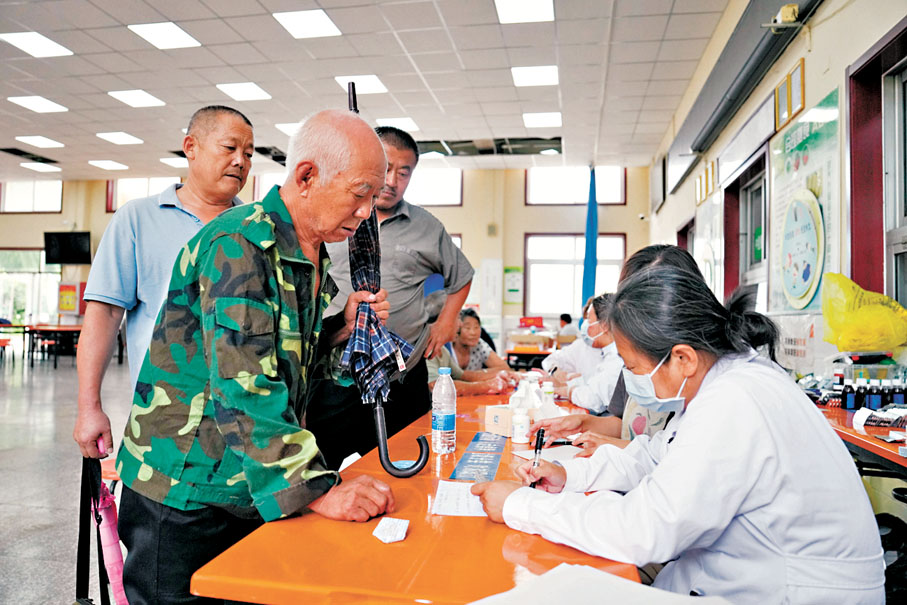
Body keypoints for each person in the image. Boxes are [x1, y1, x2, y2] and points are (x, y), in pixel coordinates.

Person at [115, 110, 397, 604]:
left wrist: (340, 332)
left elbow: (284, 361)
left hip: (243, 481)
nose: (367, 210)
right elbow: (244, 384)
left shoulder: (303, 251)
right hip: (185, 489)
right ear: (307, 177)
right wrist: (317, 490)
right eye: (361, 192)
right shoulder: (240, 244)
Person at [472, 264, 885, 602]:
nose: (633, 380)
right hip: (743, 574)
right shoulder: (726, 378)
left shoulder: (735, 399)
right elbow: (658, 456)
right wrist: (571, 476)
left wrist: (522, 506)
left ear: (682, 358)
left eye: (633, 368)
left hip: (792, 591)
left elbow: (645, 530)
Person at [74, 105, 253, 459]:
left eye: (248, 153)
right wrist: (88, 406)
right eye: (229, 148)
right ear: (191, 147)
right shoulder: (137, 219)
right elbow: (105, 316)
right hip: (164, 427)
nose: (241, 161)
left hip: (246, 425)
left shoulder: (256, 229)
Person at [307, 126, 474, 468]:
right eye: (385, 169)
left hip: (401, 375)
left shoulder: (427, 227)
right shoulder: (331, 217)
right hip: (336, 373)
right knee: (323, 472)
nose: (393, 180)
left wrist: (446, 323)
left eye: (404, 172)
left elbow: (463, 276)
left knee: (406, 466)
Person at [535, 245, 704, 454]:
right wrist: (584, 423)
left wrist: (611, 445)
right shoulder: (633, 357)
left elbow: (667, 460)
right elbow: (624, 423)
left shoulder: (701, 386)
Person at [555, 294, 623, 415]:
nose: (585, 326)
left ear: (605, 326)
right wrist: (565, 384)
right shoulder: (607, 354)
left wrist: (568, 391)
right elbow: (592, 382)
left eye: (589, 321)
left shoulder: (617, 357)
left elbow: (592, 399)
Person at [540, 298, 604, 380]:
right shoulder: (581, 345)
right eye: (585, 320)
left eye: (589, 319)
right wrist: (556, 371)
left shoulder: (615, 354)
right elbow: (549, 360)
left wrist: (575, 379)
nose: (586, 324)